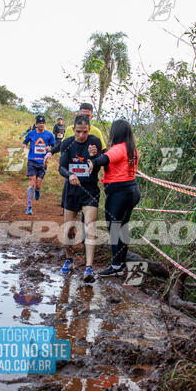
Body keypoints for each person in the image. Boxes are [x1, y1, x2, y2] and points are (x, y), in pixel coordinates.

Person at [88, 119, 140, 276]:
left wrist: (93, 162)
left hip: (119, 192)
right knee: (123, 227)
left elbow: (105, 159)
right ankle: (121, 263)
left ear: (115, 133)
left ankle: (116, 266)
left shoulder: (119, 148)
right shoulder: (132, 149)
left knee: (114, 228)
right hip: (132, 190)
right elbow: (108, 158)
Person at [59, 114, 103, 281]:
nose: (81, 135)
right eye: (78, 131)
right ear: (73, 129)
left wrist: (94, 157)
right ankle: (69, 260)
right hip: (71, 190)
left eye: (84, 132)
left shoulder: (95, 142)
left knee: (90, 227)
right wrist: (69, 174)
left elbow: (97, 166)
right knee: (69, 229)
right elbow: (61, 167)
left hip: (89, 190)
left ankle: (89, 268)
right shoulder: (67, 143)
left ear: (89, 130)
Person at [22, 115, 55, 214]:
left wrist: (50, 148)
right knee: (32, 184)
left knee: (38, 185)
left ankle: (37, 191)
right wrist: (24, 145)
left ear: (45, 124)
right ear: (36, 124)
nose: (41, 125)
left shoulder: (49, 135)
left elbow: (54, 146)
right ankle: (29, 206)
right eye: (39, 123)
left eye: (42, 123)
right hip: (32, 161)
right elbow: (25, 141)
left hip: (42, 162)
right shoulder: (31, 133)